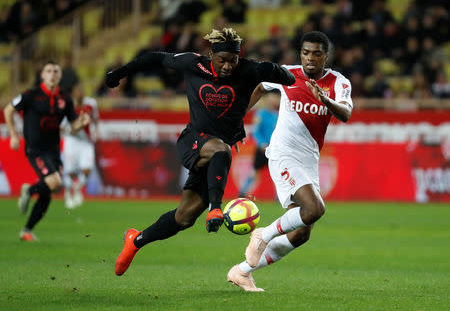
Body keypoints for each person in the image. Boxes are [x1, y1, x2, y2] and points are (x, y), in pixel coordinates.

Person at [104, 27, 295, 277]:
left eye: (233, 60)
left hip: (215, 154)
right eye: (222, 60)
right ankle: (215, 208)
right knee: (221, 150)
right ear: (211, 55)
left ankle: (135, 242)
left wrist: (278, 72)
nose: (228, 66)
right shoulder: (193, 63)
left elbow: (288, 78)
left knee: (184, 217)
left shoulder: (249, 69)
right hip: (193, 139)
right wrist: (119, 73)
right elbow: (153, 57)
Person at [227, 31, 353, 291]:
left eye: (316, 53)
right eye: (306, 52)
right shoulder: (288, 74)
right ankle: (263, 233)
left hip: (309, 160)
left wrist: (326, 101)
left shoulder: (338, 82)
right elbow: (261, 85)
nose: (310, 58)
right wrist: (238, 117)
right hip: (283, 154)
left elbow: (346, 113)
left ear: (325, 56)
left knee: (302, 231)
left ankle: (242, 271)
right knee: (315, 209)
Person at [3, 60, 90, 241]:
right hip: (35, 149)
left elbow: (73, 126)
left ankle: (26, 230)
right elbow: (8, 110)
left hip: (53, 151)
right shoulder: (31, 94)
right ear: (42, 75)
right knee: (55, 182)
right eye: (49, 71)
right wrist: (13, 135)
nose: (52, 74)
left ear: (60, 76)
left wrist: (80, 124)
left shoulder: (65, 99)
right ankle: (28, 191)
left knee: (48, 194)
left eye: (56, 71)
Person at [62, 84, 99, 209]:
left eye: (82, 90)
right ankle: (67, 193)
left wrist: (96, 131)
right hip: (71, 141)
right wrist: (78, 126)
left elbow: (95, 119)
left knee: (87, 169)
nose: (80, 92)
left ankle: (77, 189)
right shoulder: (67, 106)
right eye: (78, 90)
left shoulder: (91, 104)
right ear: (73, 93)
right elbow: (63, 128)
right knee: (71, 172)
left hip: (86, 142)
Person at [238, 89, 279, 198]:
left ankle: (279, 197)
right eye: (270, 97)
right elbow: (255, 131)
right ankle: (242, 193)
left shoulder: (277, 115)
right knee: (255, 173)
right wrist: (262, 144)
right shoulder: (260, 114)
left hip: (274, 149)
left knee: (277, 174)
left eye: (275, 97)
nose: (272, 100)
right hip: (262, 149)